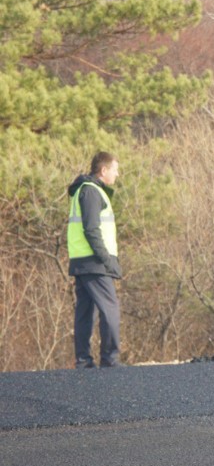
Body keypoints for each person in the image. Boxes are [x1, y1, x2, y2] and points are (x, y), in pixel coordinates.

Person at [67, 152, 123, 369]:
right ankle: (110, 359)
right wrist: (108, 261)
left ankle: (83, 361)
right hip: (94, 263)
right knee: (110, 308)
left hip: (82, 261)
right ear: (103, 170)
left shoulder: (83, 190)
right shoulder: (91, 192)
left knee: (85, 311)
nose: (117, 174)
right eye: (115, 169)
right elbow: (91, 230)